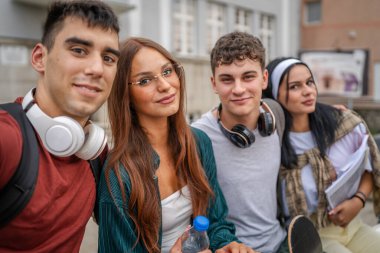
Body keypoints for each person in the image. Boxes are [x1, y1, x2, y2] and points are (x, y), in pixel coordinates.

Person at [97, 37, 255, 253]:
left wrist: (227, 244)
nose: (165, 86)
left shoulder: (199, 142)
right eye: (144, 81)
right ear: (125, 95)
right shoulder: (118, 175)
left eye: (167, 71)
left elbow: (216, 222)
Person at [0, 1, 120, 252]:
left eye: (108, 58)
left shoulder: (94, 153)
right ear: (40, 58)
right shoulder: (7, 138)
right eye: (78, 50)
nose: (97, 69)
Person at [264, 57, 380, 253]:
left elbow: (369, 165)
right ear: (275, 95)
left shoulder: (341, 123)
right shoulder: (269, 141)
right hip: (312, 238)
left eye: (309, 82)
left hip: (354, 227)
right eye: (294, 87)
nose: (308, 90)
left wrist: (358, 200)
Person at [192, 32, 289, 253]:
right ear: (213, 83)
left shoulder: (275, 115)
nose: (238, 89)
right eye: (227, 79)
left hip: (280, 243)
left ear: (264, 78)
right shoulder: (198, 136)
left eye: (248, 77)